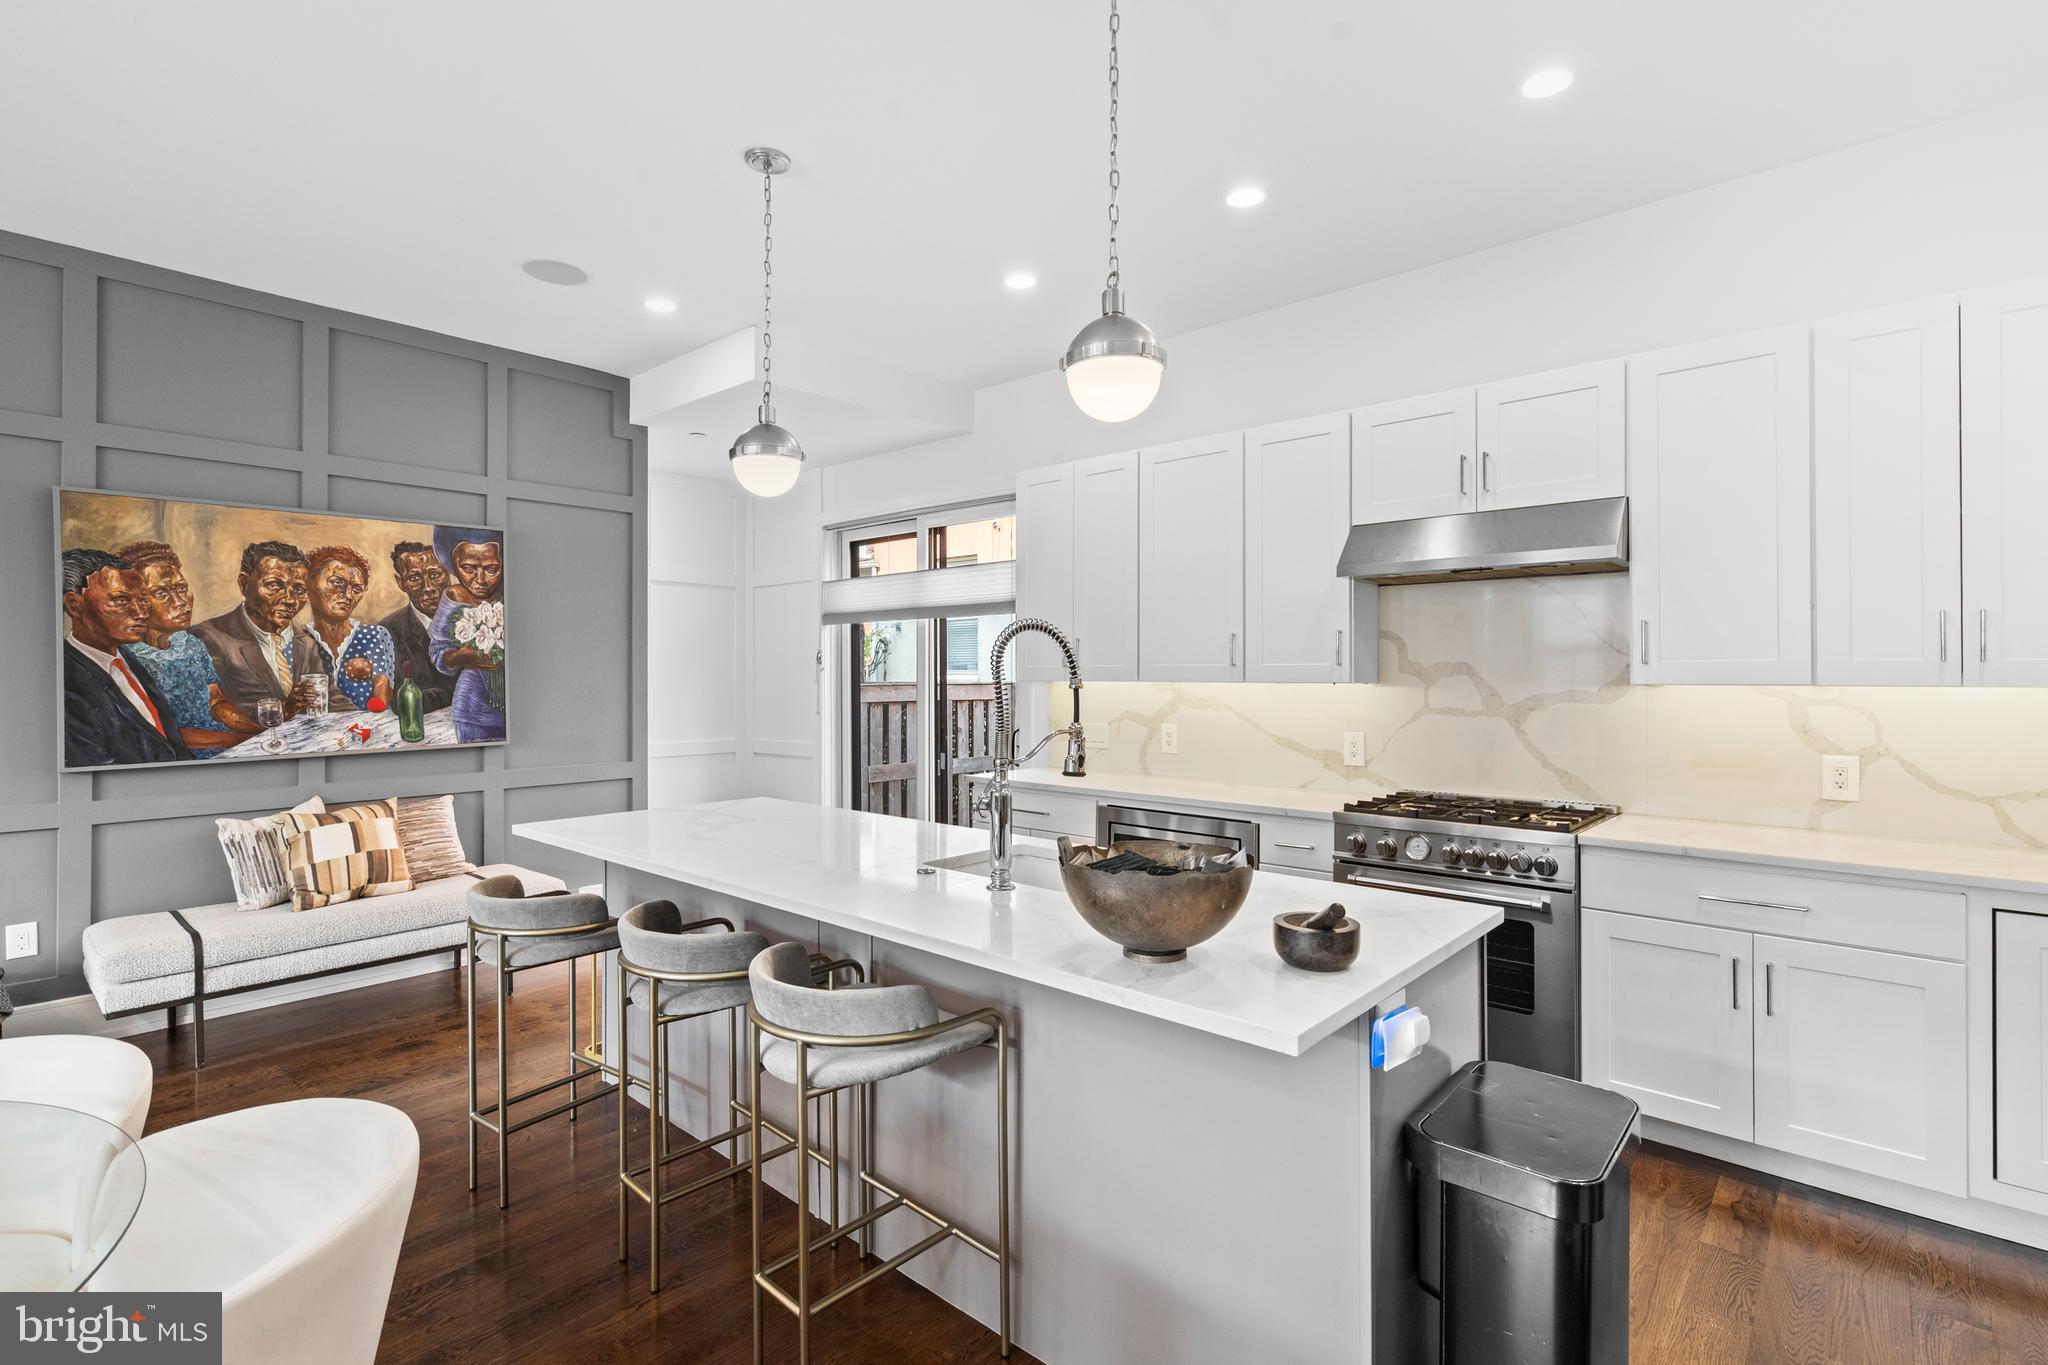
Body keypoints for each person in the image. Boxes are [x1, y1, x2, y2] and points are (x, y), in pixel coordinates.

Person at [115, 540, 261, 756]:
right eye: (161, 593)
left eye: (182, 588)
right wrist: (236, 740)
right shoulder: (125, 659)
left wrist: (261, 731)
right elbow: (161, 731)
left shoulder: (190, 644)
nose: (181, 601)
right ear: (136, 601)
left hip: (223, 744)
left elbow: (217, 702)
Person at [61, 548, 193, 768]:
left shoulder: (127, 659)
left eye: (142, 600)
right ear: (75, 605)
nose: (141, 613)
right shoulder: (66, 683)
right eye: (120, 601)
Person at [191, 540, 325, 714]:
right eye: (274, 585)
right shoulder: (208, 638)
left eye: (299, 589)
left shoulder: (306, 642)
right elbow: (208, 710)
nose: (291, 599)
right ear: (244, 584)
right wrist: (283, 709)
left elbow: (333, 698)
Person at [428, 525, 505, 743]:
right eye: (469, 569)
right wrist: (462, 657)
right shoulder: (456, 596)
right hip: (473, 710)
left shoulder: (515, 594)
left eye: (491, 569)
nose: (480, 579)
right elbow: (438, 652)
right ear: (454, 565)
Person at [303, 545, 397, 711]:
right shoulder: (300, 640)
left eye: (356, 589)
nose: (347, 595)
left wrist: (368, 723)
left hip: (367, 729)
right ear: (309, 583)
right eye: (337, 583)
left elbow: (382, 685)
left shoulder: (372, 636)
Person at [378, 540, 453, 712]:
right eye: (414, 578)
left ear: (448, 574)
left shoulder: (471, 620)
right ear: (400, 583)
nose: (428, 588)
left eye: (434, 575)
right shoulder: (388, 631)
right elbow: (401, 701)